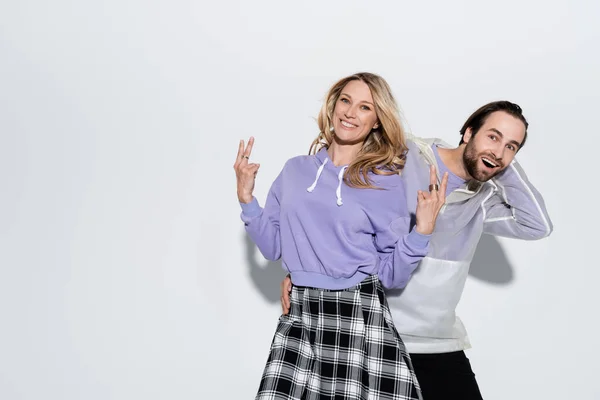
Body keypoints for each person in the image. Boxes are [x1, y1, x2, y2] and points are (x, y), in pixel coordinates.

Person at [280, 100, 553, 399]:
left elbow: (537, 224)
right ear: (469, 132)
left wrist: (498, 162)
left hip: (437, 343)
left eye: (512, 146)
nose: (500, 151)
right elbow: (329, 195)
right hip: (372, 331)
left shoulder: (482, 202)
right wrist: (303, 269)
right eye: (493, 136)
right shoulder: (404, 156)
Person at [234, 72, 448, 400]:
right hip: (301, 311)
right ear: (333, 106)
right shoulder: (295, 170)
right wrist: (248, 201)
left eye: (365, 107)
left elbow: (391, 275)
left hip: (356, 312)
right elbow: (273, 247)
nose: (350, 112)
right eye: (346, 101)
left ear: (377, 121)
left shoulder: (384, 182)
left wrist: (422, 231)